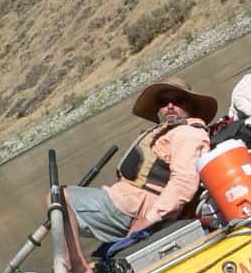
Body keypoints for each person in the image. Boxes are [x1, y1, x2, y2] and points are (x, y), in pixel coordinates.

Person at [64, 76, 218, 248]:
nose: (169, 106)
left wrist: (148, 219)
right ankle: (74, 266)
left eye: (177, 100)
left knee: (60, 198)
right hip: (126, 203)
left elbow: (183, 182)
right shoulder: (166, 133)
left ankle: (75, 265)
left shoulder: (188, 134)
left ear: (190, 105)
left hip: (136, 209)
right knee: (59, 210)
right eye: (163, 101)